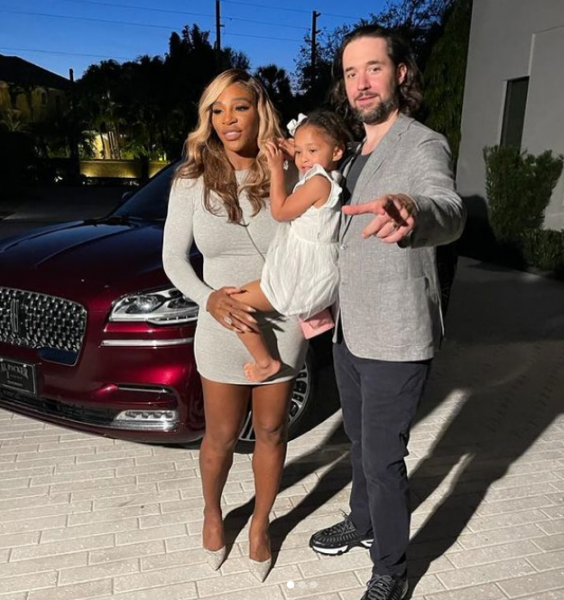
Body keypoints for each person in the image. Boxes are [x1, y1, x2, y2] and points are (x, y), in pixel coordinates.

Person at [308, 25, 467, 600]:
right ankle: (364, 520)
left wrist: (413, 212)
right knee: (358, 441)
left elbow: (449, 209)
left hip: (397, 333)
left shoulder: (422, 144)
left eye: (373, 68)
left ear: (400, 73)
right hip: (349, 330)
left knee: (382, 458)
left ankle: (392, 569)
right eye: (351, 72)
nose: (361, 83)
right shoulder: (352, 153)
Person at [162, 69, 308, 583]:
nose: (228, 119)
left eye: (239, 107)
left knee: (271, 429)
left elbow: (306, 243)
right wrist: (210, 300)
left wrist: (282, 171)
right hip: (221, 324)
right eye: (217, 110)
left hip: (281, 319)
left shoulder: (289, 168)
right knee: (221, 436)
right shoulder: (191, 179)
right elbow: (174, 259)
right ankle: (212, 513)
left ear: (258, 110)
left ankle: (261, 525)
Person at [229, 110, 351, 382]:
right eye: (299, 152)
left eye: (312, 151)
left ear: (337, 151)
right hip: (315, 266)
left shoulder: (318, 182)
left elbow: (280, 211)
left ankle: (265, 363)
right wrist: (294, 150)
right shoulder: (329, 177)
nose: (304, 159)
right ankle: (314, 314)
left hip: (302, 272)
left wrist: (276, 169)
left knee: (234, 303)